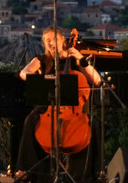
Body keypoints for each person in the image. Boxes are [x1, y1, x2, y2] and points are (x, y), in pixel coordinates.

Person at [15, 27, 101, 183]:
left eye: (53, 39)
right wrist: (41, 77)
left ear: (62, 40)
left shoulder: (75, 59)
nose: (50, 43)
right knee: (30, 120)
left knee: (94, 124)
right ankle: (28, 170)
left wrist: (81, 58)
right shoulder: (41, 59)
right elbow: (23, 73)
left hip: (74, 109)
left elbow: (96, 80)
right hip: (48, 106)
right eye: (47, 41)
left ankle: (88, 173)